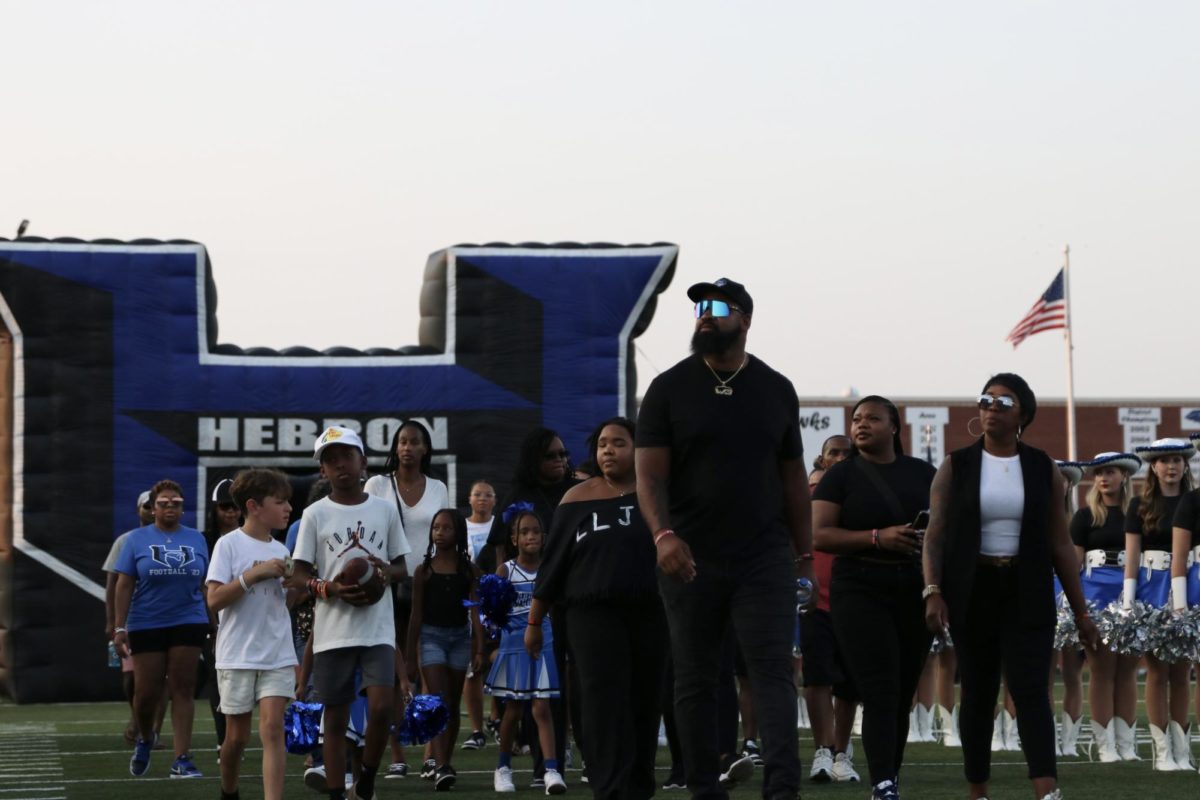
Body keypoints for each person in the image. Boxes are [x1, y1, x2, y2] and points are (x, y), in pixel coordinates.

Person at [636, 277, 811, 800]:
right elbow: (649, 477)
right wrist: (663, 535)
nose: (704, 316)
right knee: (695, 680)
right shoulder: (669, 387)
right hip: (691, 557)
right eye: (698, 309)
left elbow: (793, 480)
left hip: (764, 557)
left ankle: (782, 790)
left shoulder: (776, 388)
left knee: (772, 673)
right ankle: (704, 790)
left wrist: (805, 558)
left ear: (746, 319)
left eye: (716, 307)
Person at [922, 373, 1098, 800]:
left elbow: (1059, 542)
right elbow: (936, 534)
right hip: (972, 589)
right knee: (979, 693)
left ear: (1023, 413)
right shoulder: (956, 465)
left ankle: (1047, 790)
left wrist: (1081, 611)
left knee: (1031, 690)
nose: (990, 408)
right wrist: (932, 590)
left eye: (1003, 402)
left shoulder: (1042, 467)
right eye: (985, 399)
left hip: (1027, 589)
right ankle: (978, 789)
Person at [533, 417, 666, 800]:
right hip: (591, 617)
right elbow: (552, 566)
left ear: (639, 449)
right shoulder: (575, 498)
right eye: (603, 443)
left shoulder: (657, 495)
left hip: (650, 612)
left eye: (619, 442)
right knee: (600, 701)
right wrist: (534, 621)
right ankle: (607, 787)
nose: (608, 449)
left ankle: (639, 786)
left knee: (645, 699)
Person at [813, 396, 935, 799]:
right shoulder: (840, 476)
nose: (861, 425)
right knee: (880, 687)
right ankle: (883, 783)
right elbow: (820, 534)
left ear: (895, 427)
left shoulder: (923, 474)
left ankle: (889, 775)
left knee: (901, 692)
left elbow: (945, 530)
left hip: (913, 588)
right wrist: (876, 538)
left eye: (873, 419)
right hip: (860, 588)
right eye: (857, 419)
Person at [288, 426, 411, 800]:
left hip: (377, 628)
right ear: (322, 470)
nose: (339, 464)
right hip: (332, 630)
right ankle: (337, 792)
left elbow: (404, 568)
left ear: (363, 462)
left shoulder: (386, 510)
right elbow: (298, 575)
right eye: (330, 459)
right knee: (336, 720)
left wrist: (383, 572)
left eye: (346, 456)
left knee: (379, 709)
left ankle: (368, 778)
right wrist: (330, 588)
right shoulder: (314, 514)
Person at [205, 468, 299, 800]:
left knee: (273, 729)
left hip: (277, 653)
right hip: (237, 655)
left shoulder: (283, 549)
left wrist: (296, 587)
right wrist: (254, 574)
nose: (288, 507)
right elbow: (214, 600)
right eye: (280, 501)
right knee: (237, 738)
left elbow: (281, 605)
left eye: (288, 501)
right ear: (253, 506)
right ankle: (229, 790)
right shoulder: (227, 545)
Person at [363, 419, 449, 780]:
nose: (408, 448)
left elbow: (445, 533)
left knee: (427, 669)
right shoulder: (377, 484)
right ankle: (397, 754)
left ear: (425, 449)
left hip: (427, 584)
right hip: (386, 583)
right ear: (395, 448)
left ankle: (431, 752)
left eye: (415, 442)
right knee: (393, 671)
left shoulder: (439, 487)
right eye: (402, 442)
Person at [112, 479, 212, 779]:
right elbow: (124, 583)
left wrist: (213, 622)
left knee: (183, 688)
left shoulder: (197, 539)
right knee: (146, 693)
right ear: (153, 508)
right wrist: (119, 627)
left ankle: (181, 759)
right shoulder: (135, 539)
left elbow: (206, 584)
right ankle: (145, 738)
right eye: (164, 502)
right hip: (147, 622)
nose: (170, 507)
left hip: (189, 619)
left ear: (184, 508)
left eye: (176, 502)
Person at [485, 508, 566, 795]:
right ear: (514, 539)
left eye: (535, 532)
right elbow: (493, 614)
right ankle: (503, 767)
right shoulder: (505, 570)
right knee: (514, 710)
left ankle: (551, 770)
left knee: (542, 708)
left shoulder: (550, 568)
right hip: (513, 645)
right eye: (524, 532)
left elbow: (556, 609)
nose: (531, 536)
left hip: (543, 643)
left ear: (544, 538)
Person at [1125, 438, 1195, 771]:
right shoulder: (1138, 505)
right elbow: (1132, 557)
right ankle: (1162, 751)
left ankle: (1183, 750)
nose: (1171, 466)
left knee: (1182, 673)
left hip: (1188, 585)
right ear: (1153, 467)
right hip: (1151, 587)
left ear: (1185, 466)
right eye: (1164, 460)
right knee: (1156, 672)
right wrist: (1128, 602)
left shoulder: (1194, 501)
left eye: (1177, 460)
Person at [406, 509, 485, 790]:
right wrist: (409, 660)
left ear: (458, 534)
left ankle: (445, 762)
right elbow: (415, 617)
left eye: (446, 528)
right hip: (431, 638)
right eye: (435, 527)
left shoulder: (469, 571)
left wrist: (479, 647)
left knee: (451, 704)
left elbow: (476, 613)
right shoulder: (423, 571)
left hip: (460, 639)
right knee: (437, 700)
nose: (439, 533)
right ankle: (440, 766)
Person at [1070, 452, 1141, 762]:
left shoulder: (1138, 513)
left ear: (1123, 476)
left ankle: (1126, 745)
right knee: (1101, 670)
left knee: (1127, 670)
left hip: (1133, 590)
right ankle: (1105, 746)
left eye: (1109, 472)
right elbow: (1073, 562)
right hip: (1095, 591)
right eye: (1098, 472)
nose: (1102, 478)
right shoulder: (1085, 516)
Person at [802, 434, 861, 784]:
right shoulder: (807, 498)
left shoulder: (861, 499)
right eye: (832, 452)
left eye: (845, 452)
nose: (839, 457)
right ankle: (822, 751)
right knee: (817, 677)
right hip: (815, 599)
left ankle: (842, 751)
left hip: (854, 600)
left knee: (850, 684)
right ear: (822, 460)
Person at [103, 490, 156, 745]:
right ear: (139, 510)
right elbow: (113, 583)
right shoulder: (125, 541)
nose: (150, 510)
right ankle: (137, 718)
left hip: (160, 618)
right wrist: (113, 622)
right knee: (130, 677)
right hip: (132, 619)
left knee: (161, 679)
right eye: (146, 506)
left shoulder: (174, 539)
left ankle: (149, 729)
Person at [463, 480, 499, 752]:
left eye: (488, 495)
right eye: (478, 495)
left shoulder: (500, 526)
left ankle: (497, 719)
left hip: (497, 602)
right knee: (472, 670)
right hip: (470, 603)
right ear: (469, 498)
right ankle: (476, 730)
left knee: (499, 662)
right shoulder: (462, 526)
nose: (483, 499)